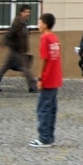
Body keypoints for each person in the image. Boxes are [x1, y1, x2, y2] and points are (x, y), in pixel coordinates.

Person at [29, 13, 61, 148]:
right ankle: (49, 136)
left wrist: (40, 78)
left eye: (39, 22)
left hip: (48, 78)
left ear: (45, 24)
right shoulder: (54, 37)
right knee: (51, 108)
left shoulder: (45, 38)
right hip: (55, 77)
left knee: (43, 109)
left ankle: (44, 138)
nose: (38, 25)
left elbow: (44, 59)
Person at [0, 4, 37, 92]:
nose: (28, 14)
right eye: (26, 12)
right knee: (25, 68)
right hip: (17, 49)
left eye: (29, 12)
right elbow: (10, 33)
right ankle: (32, 86)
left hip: (16, 49)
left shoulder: (23, 23)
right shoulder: (18, 23)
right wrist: (2, 43)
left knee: (5, 66)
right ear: (21, 12)